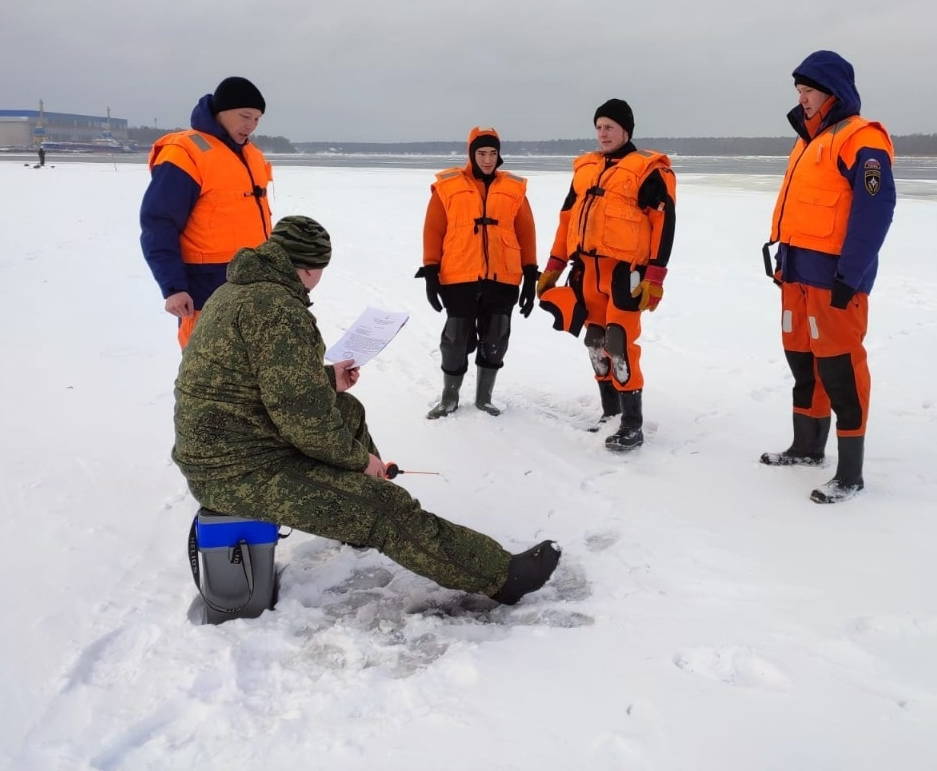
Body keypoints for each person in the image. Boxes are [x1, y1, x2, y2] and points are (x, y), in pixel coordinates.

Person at [172, 216, 562, 605]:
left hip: (233, 445)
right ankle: (502, 577)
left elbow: (263, 382)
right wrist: (361, 463)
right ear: (310, 267)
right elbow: (305, 421)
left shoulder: (237, 292)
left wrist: (326, 379)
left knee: (347, 410)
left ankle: (351, 519)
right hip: (236, 470)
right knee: (384, 508)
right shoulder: (277, 310)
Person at [759, 50, 896, 503]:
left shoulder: (861, 139)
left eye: (810, 90)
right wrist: (783, 264)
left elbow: (874, 210)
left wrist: (851, 274)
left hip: (836, 281)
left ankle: (850, 473)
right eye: (799, 91)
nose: (803, 99)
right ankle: (806, 447)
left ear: (833, 92)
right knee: (803, 362)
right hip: (797, 275)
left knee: (840, 369)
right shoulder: (805, 141)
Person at [536, 99, 676, 451]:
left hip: (625, 275)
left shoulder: (646, 170)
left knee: (619, 345)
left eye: (610, 126)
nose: (603, 133)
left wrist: (654, 277)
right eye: (599, 126)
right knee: (596, 342)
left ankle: (632, 424)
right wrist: (554, 265)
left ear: (626, 130)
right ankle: (610, 413)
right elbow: (567, 220)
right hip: (587, 273)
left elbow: (664, 223)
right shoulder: (585, 169)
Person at [415, 126, 540, 418]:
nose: (487, 159)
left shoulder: (514, 188)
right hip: (459, 276)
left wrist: (531, 275)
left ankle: (484, 398)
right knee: (456, 339)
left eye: (493, 153)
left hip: (503, 277)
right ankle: (449, 398)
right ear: (471, 154)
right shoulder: (447, 186)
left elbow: (527, 233)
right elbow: (433, 230)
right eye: (481, 153)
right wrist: (432, 271)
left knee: (496, 338)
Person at [140, 76, 273, 348]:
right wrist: (174, 288)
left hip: (256, 280)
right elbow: (159, 222)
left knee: (251, 367)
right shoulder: (186, 152)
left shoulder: (252, 155)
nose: (251, 125)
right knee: (205, 370)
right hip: (205, 285)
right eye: (245, 116)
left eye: (257, 119)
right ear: (221, 111)